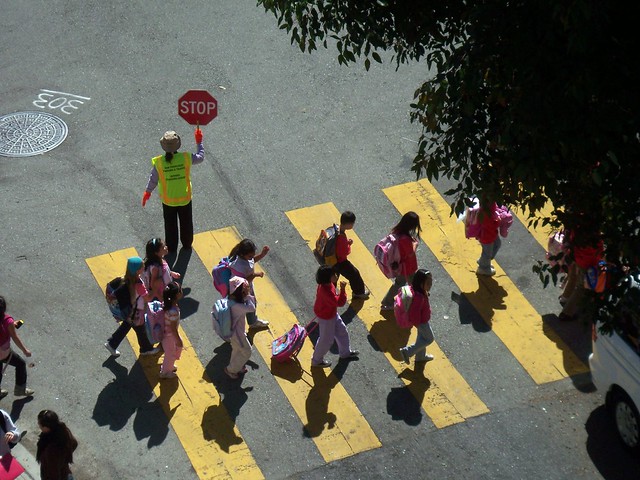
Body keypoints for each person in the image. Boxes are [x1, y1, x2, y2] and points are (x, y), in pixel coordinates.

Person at [142, 128, 205, 253]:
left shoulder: (159, 163)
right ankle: (187, 244)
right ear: (178, 145)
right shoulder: (186, 158)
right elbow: (201, 157)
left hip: (168, 201)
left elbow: (153, 179)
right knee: (186, 223)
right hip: (185, 198)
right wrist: (199, 142)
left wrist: (147, 192)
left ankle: (171, 247)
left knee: (170, 226)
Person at [105, 257, 159, 358]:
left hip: (130, 311)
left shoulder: (125, 279)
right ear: (138, 270)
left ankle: (112, 344)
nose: (144, 267)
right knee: (139, 329)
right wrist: (155, 289)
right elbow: (147, 298)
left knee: (128, 326)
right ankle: (145, 349)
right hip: (136, 312)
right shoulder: (138, 284)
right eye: (142, 266)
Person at [311, 265, 359, 368]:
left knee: (342, 331)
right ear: (328, 277)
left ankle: (345, 353)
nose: (336, 275)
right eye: (333, 274)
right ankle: (316, 360)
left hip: (330, 313)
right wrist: (342, 290)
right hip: (326, 317)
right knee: (326, 340)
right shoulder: (326, 291)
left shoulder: (327, 285)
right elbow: (340, 302)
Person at [380, 212, 422, 310]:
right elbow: (410, 253)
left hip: (400, 266)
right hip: (407, 266)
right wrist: (415, 244)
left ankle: (387, 302)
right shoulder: (405, 239)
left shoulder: (397, 232)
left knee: (399, 283)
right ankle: (417, 300)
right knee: (411, 283)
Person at [228, 239, 270, 329]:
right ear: (243, 254)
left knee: (251, 305)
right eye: (250, 255)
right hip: (241, 291)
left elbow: (252, 261)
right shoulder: (239, 266)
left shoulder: (245, 258)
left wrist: (262, 254)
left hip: (247, 288)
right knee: (249, 306)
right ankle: (246, 325)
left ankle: (251, 321)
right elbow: (243, 281)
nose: (252, 257)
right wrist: (255, 275)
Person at [399, 269, 436, 364]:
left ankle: (420, 356)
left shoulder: (420, 292)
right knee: (429, 339)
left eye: (431, 282)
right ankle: (407, 351)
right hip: (422, 322)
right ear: (420, 284)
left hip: (422, 321)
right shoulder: (418, 298)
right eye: (428, 283)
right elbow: (414, 313)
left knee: (421, 338)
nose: (430, 285)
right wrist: (418, 324)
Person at [0, 295, 34, 398]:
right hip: (3, 352)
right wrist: (25, 350)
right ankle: (20, 390)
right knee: (20, 364)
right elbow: (14, 337)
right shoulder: (7, 320)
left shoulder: (8, 323)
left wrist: (11, 325)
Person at [333, 211, 370, 300]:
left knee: (333, 277)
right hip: (341, 262)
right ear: (348, 224)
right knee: (354, 274)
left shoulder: (336, 229)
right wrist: (348, 245)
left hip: (333, 260)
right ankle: (359, 293)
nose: (353, 225)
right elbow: (343, 252)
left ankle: (331, 293)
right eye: (353, 223)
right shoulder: (341, 237)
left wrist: (346, 243)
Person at [224, 276, 255, 379]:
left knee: (237, 350)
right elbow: (251, 308)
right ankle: (231, 370)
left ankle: (238, 366)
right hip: (238, 334)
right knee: (247, 351)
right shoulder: (237, 306)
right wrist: (249, 295)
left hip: (233, 332)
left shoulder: (231, 301)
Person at [36, 410, 78, 480]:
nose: (38, 424)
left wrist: (62, 459)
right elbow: (74, 443)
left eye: (39, 424)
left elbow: (54, 473)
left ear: (46, 427)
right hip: (65, 472)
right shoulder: (62, 430)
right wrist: (64, 459)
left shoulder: (51, 449)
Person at [159, 282, 183, 379]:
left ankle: (169, 366)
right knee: (170, 354)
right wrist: (178, 341)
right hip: (170, 336)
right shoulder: (173, 312)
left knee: (170, 353)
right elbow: (173, 330)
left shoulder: (166, 304)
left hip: (165, 334)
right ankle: (165, 372)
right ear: (177, 295)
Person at [475, 201, 502, 276]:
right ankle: (483, 268)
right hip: (486, 236)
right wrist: (498, 222)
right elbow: (489, 225)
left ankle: (483, 261)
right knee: (487, 253)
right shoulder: (485, 213)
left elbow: (495, 208)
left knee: (497, 244)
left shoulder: (490, 204)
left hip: (491, 234)